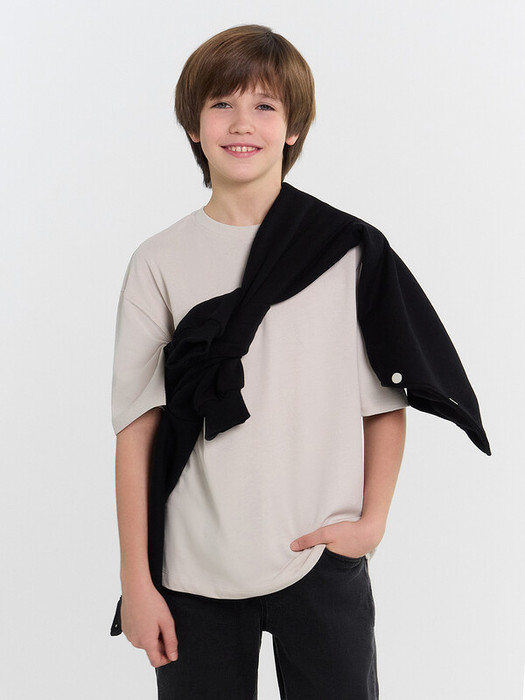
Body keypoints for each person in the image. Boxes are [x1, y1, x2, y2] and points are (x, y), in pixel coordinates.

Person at [109, 24, 489, 700]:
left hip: (317, 556)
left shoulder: (346, 251)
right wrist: (135, 582)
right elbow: (137, 428)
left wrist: (370, 524)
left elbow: (383, 404)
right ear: (193, 126)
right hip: (191, 564)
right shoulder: (158, 261)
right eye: (221, 104)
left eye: (264, 105)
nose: (241, 123)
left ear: (293, 129)